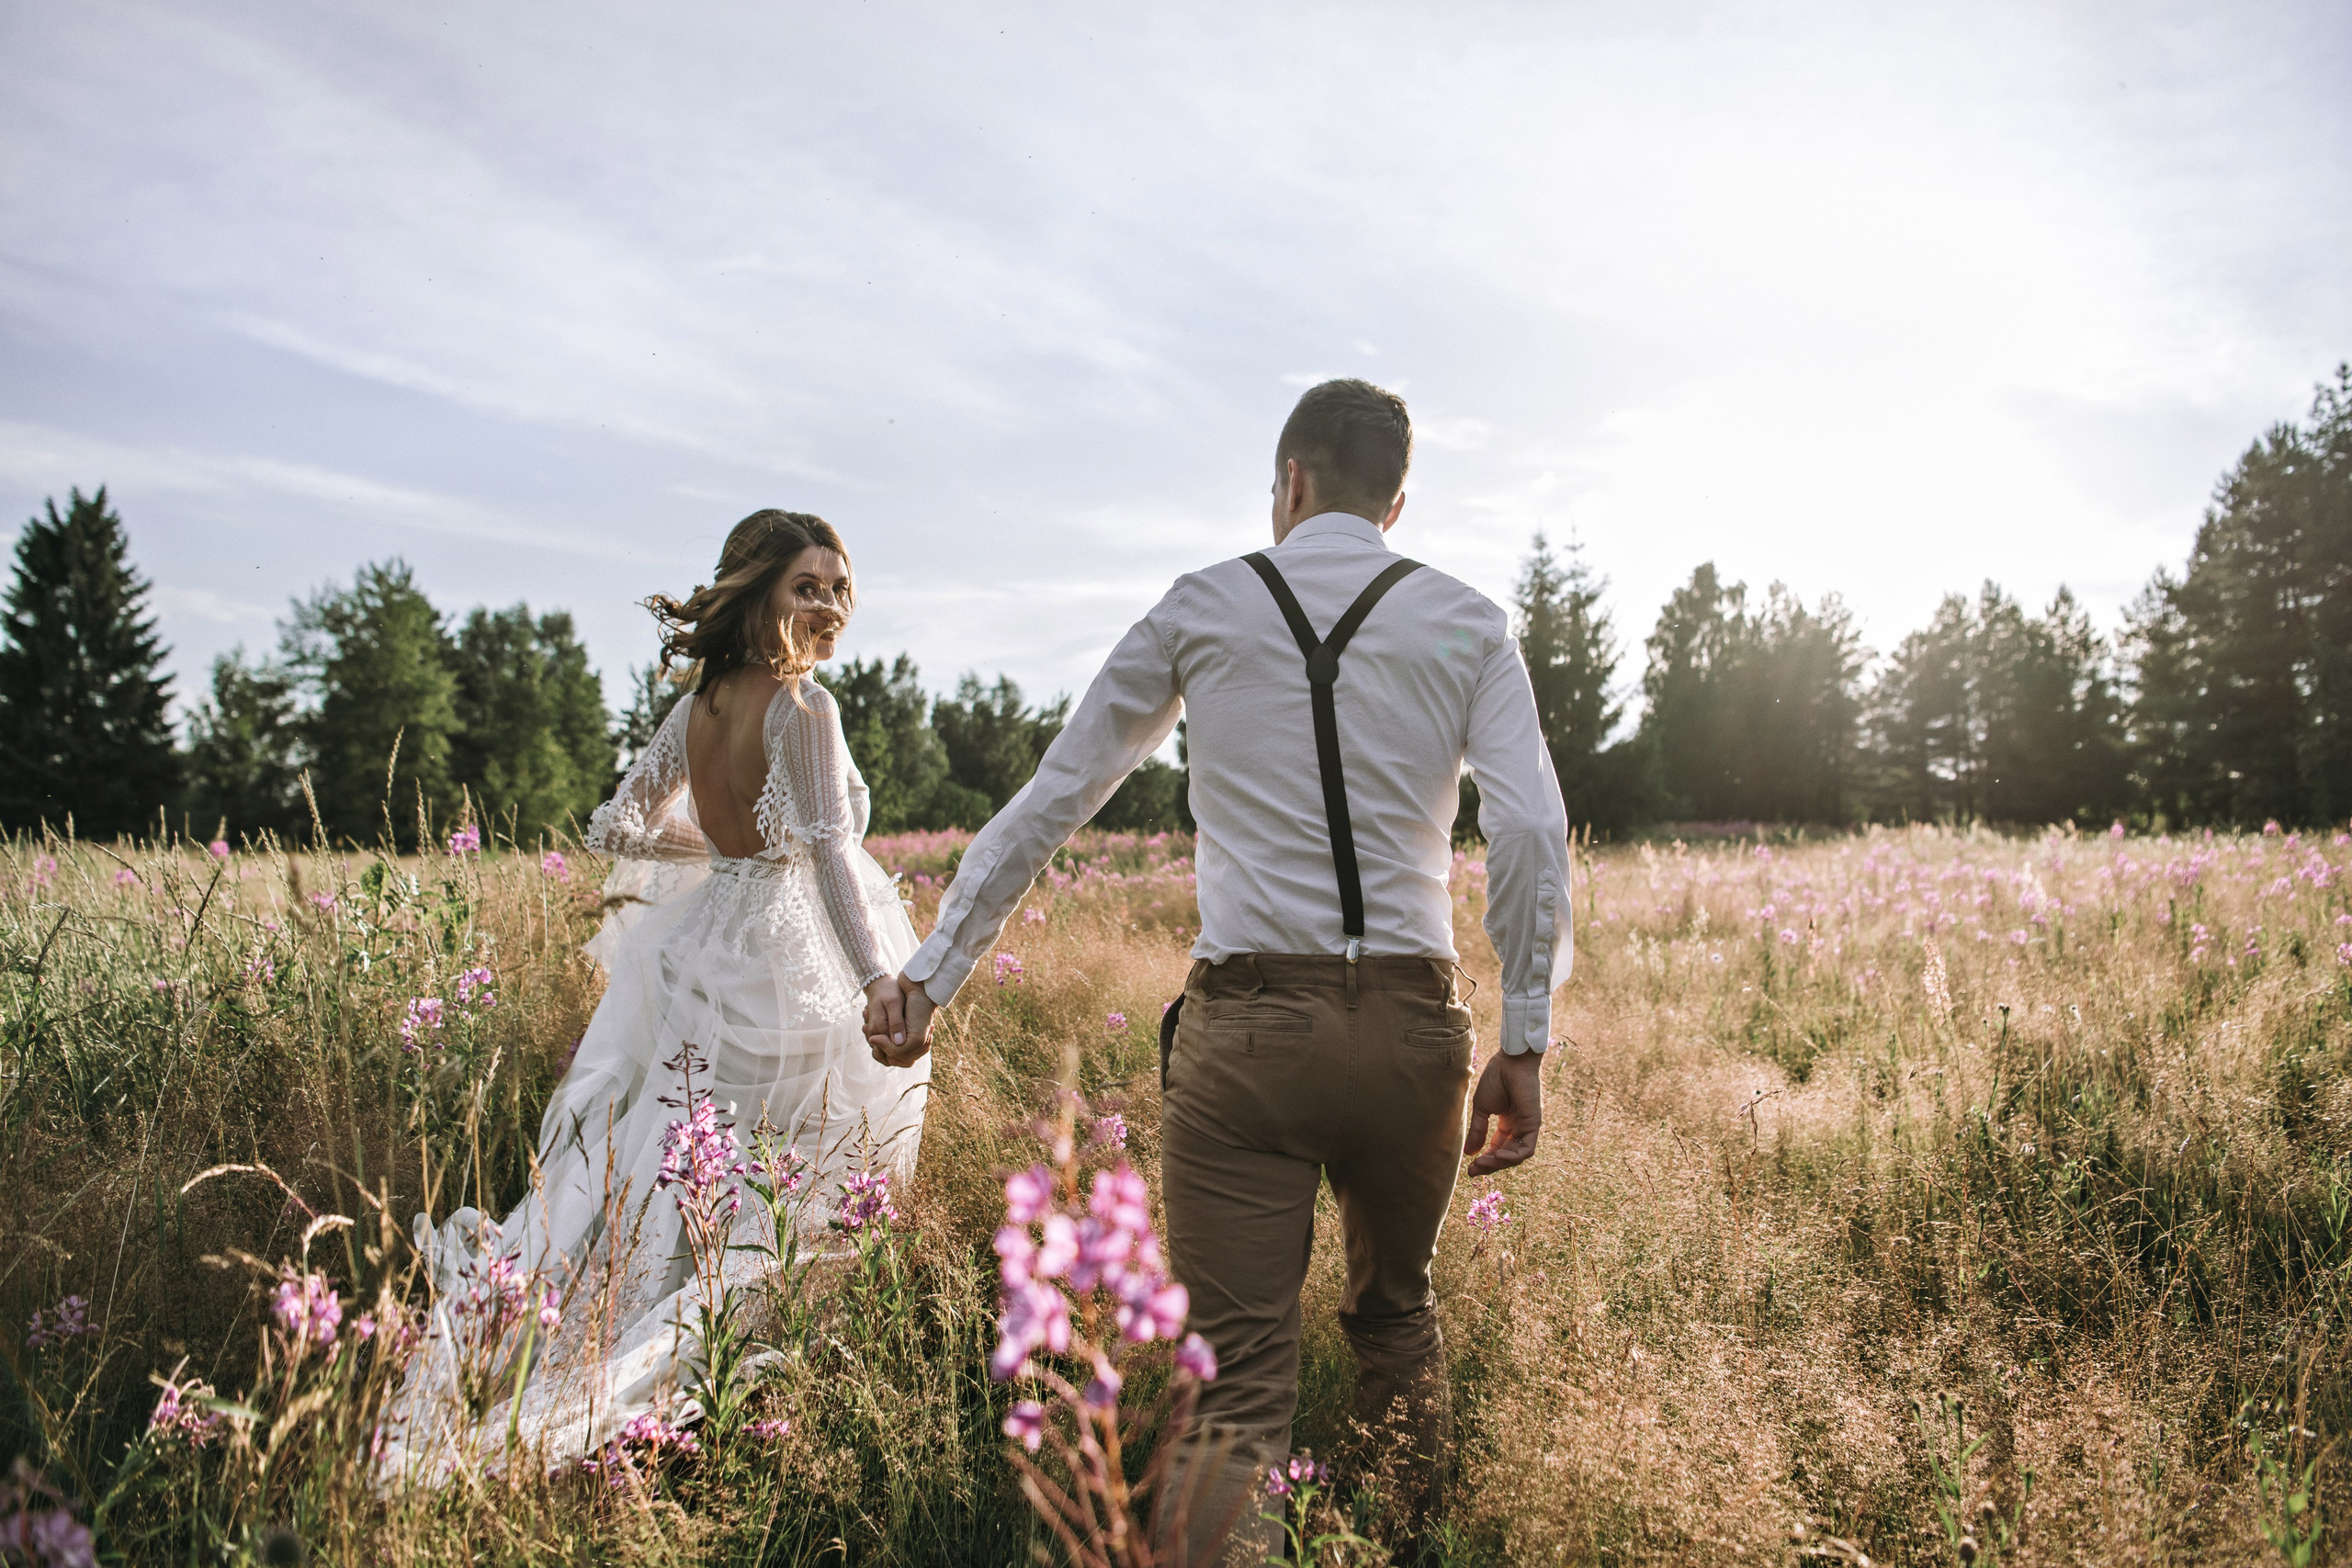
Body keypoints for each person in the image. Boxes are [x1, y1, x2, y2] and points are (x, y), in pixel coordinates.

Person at [873, 380, 1569, 1559]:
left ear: (1289, 481)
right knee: (1397, 1320)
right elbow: (1534, 831)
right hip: (1414, 1036)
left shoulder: (1204, 606)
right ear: (1396, 501)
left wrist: (934, 973)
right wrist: (1525, 1036)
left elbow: (1059, 796)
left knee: (1240, 1382)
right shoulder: (1466, 621)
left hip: (1248, 1037)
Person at [383, 510, 926, 1475]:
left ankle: (617, 1331)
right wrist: (876, 977)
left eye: (841, 586)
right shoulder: (801, 707)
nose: (830, 604)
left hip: (715, 936)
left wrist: (725, 853)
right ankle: (708, 1369)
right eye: (808, 584)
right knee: (773, 1170)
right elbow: (836, 858)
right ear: (756, 590)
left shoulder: (702, 705)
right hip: (788, 960)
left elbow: (617, 824)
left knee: (671, 1160)